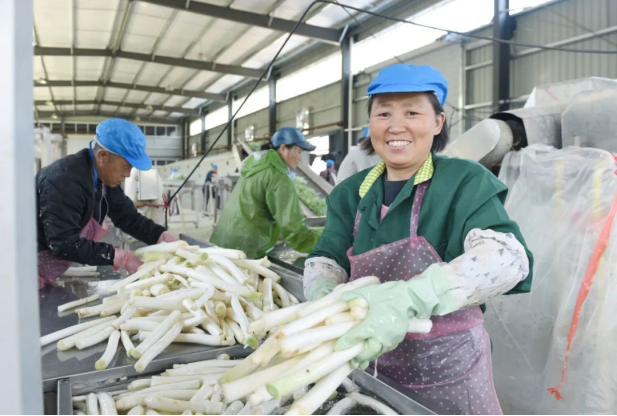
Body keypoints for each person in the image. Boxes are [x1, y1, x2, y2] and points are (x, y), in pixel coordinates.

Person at [303, 64, 533, 415]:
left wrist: (414, 296)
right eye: (383, 113)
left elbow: (506, 256)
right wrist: (323, 297)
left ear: (438, 122)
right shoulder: (351, 193)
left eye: (412, 112)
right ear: (370, 123)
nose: (396, 126)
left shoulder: (464, 181)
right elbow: (326, 259)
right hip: (368, 364)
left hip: (449, 369)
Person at [36, 118, 177, 289]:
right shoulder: (62, 181)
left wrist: (159, 236)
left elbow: (127, 217)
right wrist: (117, 257)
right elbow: (64, 244)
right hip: (24, 268)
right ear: (102, 156)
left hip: (47, 271)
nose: (127, 174)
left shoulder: (103, 179)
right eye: (126, 166)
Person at [210, 127, 322, 259]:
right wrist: (328, 238)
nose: (299, 158)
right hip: (244, 251)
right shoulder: (278, 176)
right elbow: (295, 234)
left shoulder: (256, 166)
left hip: (221, 244)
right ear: (283, 148)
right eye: (298, 151)